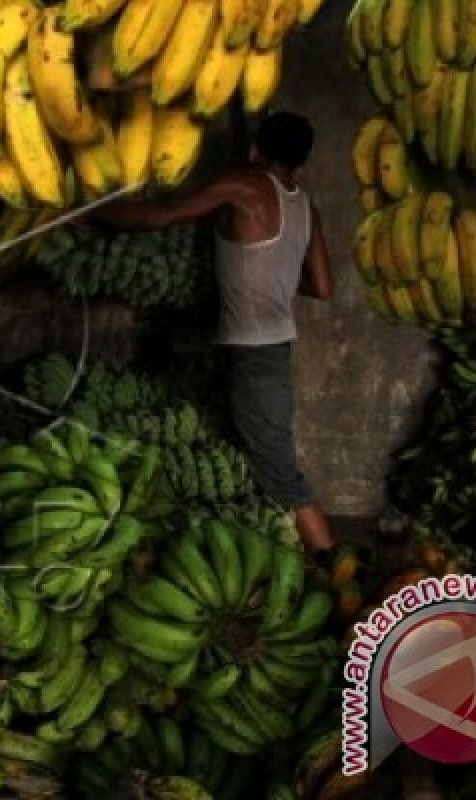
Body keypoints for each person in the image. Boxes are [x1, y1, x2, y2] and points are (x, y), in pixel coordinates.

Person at [93, 111, 337, 555]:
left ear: (254, 150)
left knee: (279, 472)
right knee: (247, 456)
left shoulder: (243, 186)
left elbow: (159, 217)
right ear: (300, 167)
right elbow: (322, 286)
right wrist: (274, 273)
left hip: (254, 354)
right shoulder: (306, 207)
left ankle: (338, 568)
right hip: (271, 350)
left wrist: (89, 216)